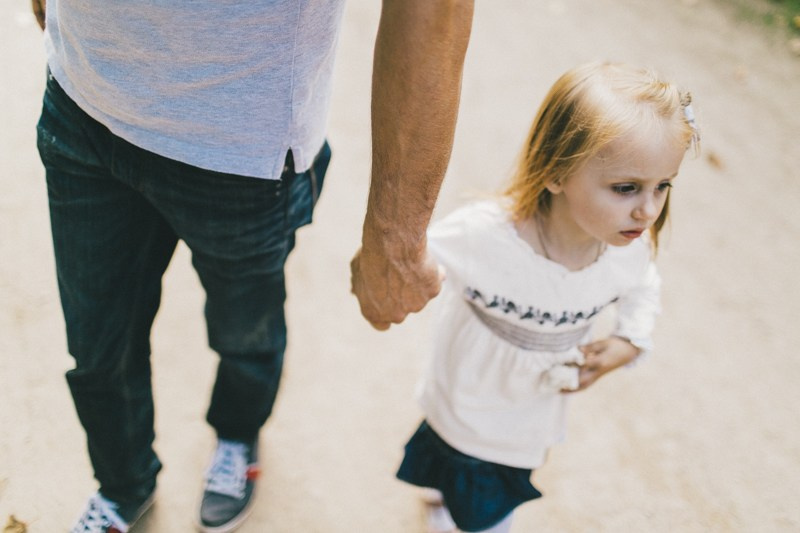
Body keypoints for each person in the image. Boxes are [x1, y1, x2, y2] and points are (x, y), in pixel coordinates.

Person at [31, 0, 474, 531]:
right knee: (96, 342)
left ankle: (238, 435)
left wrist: (397, 236)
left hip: (242, 150)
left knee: (245, 332)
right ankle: (123, 484)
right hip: (82, 98)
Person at [395, 61, 700, 533]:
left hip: (527, 417)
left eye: (663, 185)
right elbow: (410, 259)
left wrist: (629, 341)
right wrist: (392, 281)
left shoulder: (627, 252)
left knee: (487, 505)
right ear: (556, 171)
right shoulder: (485, 236)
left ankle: (453, 506)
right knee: (450, 462)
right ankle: (442, 501)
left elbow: (644, 287)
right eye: (626, 188)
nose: (648, 208)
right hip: (464, 396)